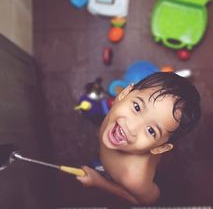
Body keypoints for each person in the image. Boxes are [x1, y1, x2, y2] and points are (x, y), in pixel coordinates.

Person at [76, 72, 201, 205]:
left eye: (151, 130)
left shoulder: (135, 179)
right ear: (124, 93)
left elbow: (146, 201)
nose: (131, 127)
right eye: (137, 107)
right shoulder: (116, 117)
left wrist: (100, 182)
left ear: (160, 148)